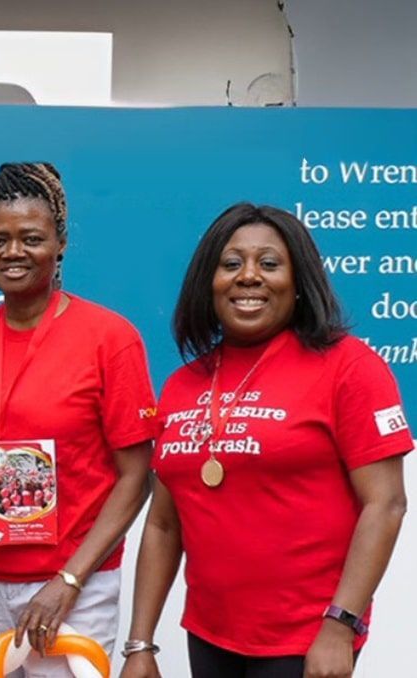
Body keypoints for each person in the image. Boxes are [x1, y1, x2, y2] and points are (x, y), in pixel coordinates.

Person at [122, 204, 409, 678]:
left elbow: (386, 504)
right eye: (231, 264)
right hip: (211, 636)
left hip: (308, 639)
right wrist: (140, 644)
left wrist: (341, 626)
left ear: (298, 283)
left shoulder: (348, 367)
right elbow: (163, 526)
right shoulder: (183, 385)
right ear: (207, 282)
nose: (248, 277)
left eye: (269, 264)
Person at [0, 162, 157, 676]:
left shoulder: (109, 338)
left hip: (73, 582)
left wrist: (69, 581)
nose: (13, 252)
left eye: (31, 238)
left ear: (60, 244)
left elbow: (136, 477)